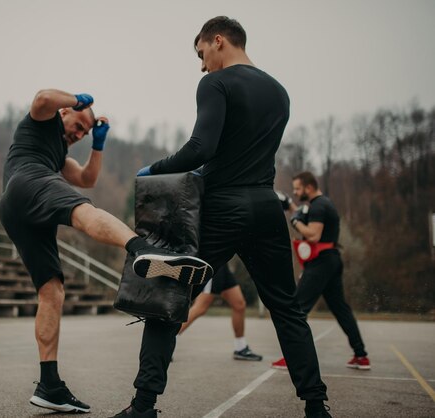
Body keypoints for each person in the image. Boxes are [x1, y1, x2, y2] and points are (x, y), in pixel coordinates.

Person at [112, 17, 330, 418]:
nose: (201, 65)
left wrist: (156, 168)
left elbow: (201, 147)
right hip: (266, 207)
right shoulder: (279, 91)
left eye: (201, 54)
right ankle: (317, 407)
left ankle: (143, 407)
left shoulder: (215, 83)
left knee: (168, 298)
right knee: (287, 309)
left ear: (218, 41)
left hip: (222, 207)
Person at [0, 89, 213, 414]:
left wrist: (98, 144)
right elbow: (42, 99)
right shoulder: (41, 123)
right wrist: (74, 98)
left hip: (15, 207)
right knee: (82, 211)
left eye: (84, 131)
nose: (79, 133)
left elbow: (87, 177)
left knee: (51, 290)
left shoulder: (58, 154)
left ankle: (49, 384)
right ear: (65, 112)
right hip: (29, 181)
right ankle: (140, 248)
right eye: (78, 125)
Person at [271, 172, 370, 371]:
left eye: (298, 189)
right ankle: (361, 355)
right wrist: (290, 206)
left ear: (308, 187)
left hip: (321, 264)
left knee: (296, 309)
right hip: (330, 261)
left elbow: (313, 235)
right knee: (340, 309)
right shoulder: (319, 205)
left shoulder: (319, 206)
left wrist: (294, 221)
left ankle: (293, 359)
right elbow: (301, 214)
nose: (296, 192)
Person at [177, 264, 262, 361]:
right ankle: (168, 341)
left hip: (224, 264)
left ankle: (240, 348)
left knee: (239, 305)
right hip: (214, 263)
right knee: (200, 307)